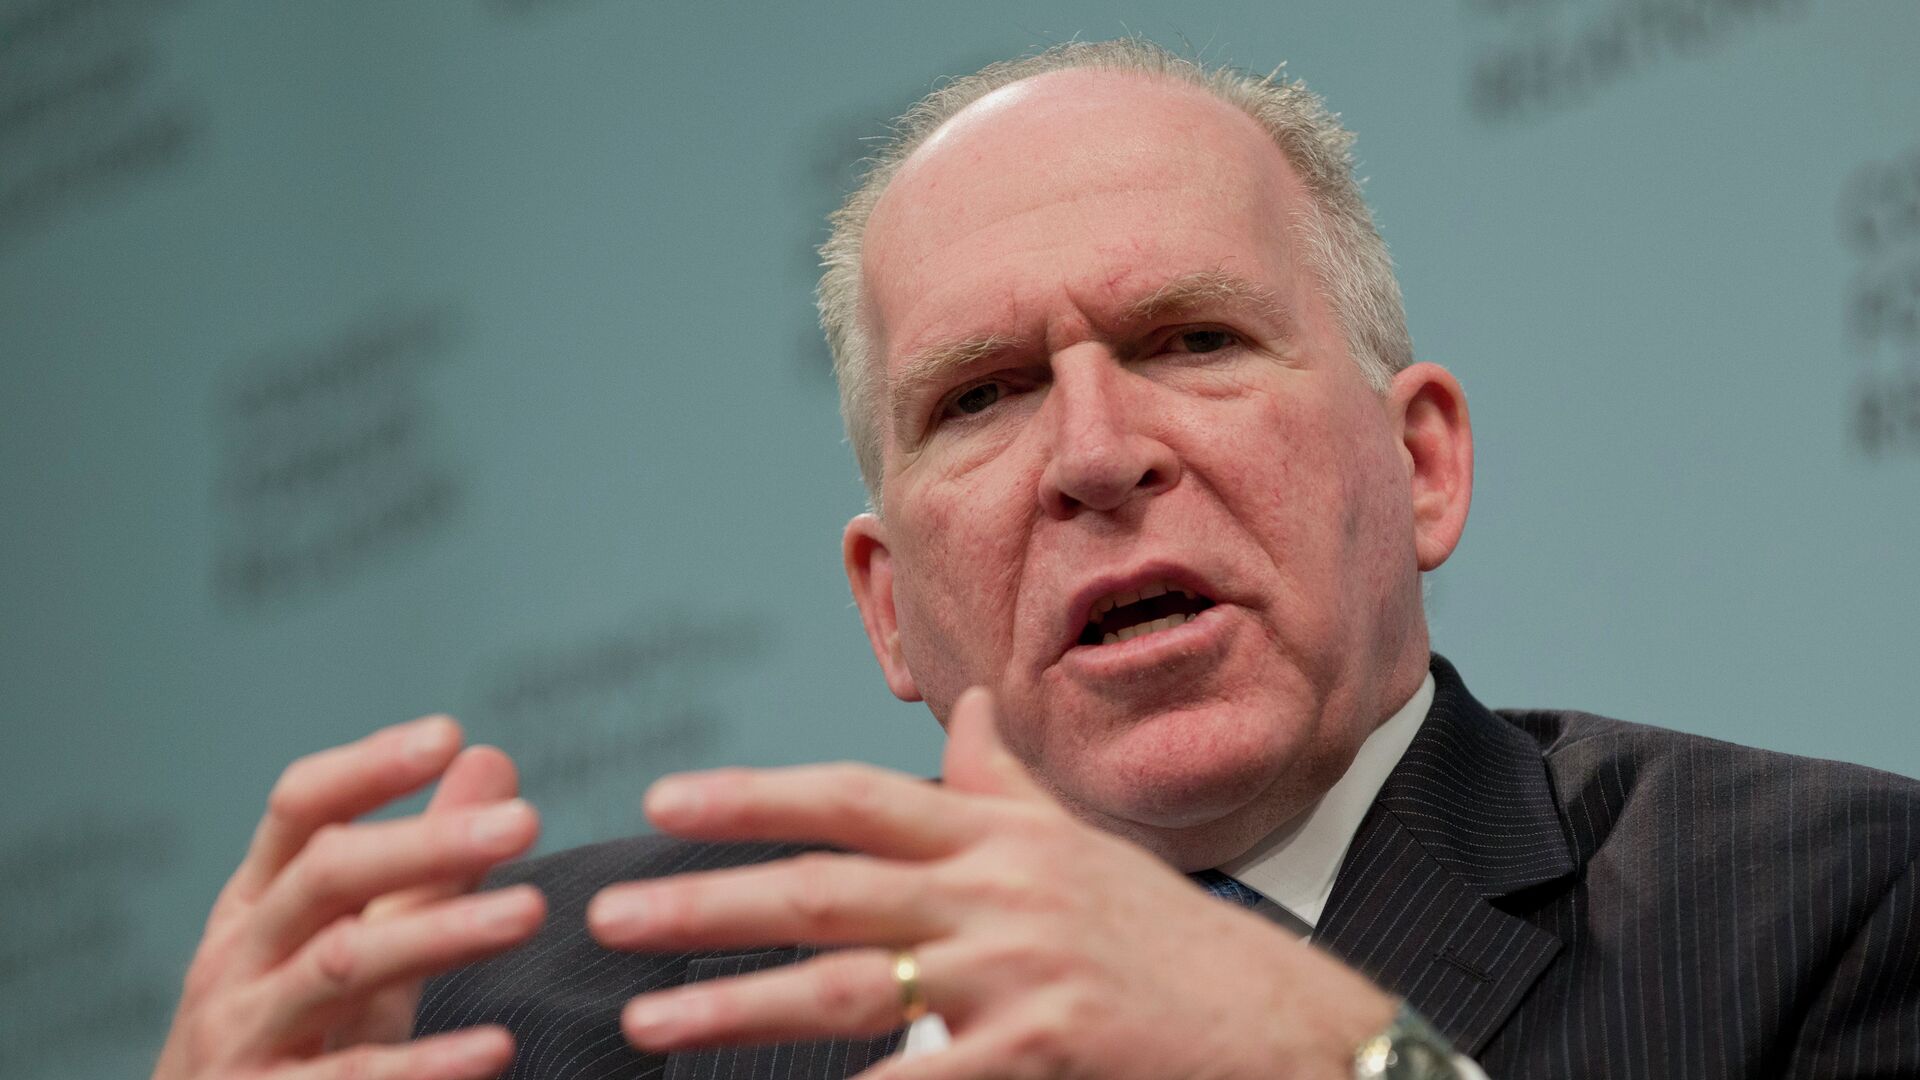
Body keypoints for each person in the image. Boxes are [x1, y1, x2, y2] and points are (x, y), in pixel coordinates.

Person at [151, 40, 1920, 1080]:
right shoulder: (535, 1024)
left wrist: (1336, 1064)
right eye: (983, 395)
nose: (1093, 453)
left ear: (1421, 463)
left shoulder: (1825, 914)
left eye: (1194, 340)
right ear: (888, 607)